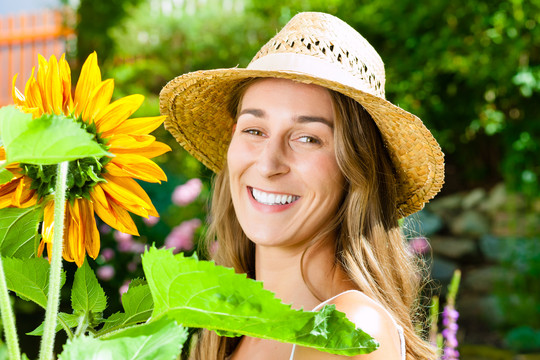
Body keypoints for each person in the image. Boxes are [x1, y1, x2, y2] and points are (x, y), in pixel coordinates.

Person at [159, 11, 444, 360]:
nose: (267, 164)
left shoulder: (345, 331)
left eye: (307, 138)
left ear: (356, 170)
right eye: (254, 130)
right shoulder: (228, 331)